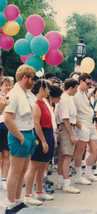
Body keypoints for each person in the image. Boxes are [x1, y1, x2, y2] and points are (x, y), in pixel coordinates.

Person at [4, 65, 36, 213]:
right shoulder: (15, 94)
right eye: (32, 78)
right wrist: (20, 136)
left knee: (23, 171)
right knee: (15, 172)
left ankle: (17, 201)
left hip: (28, 133)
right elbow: (8, 119)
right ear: (25, 78)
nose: (33, 82)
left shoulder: (25, 93)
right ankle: (10, 205)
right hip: (20, 135)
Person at [24, 80, 54, 205]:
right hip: (41, 134)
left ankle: (39, 192)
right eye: (47, 88)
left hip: (48, 132)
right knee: (34, 166)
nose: (49, 91)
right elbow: (36, 124)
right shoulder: (36, 104)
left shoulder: (44, 102)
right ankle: (27, 194)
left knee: (42, 166)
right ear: (41, 89)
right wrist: (43, 141)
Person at [72, 73, 97, 184]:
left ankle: (88, 173)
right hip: (83, 124)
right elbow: (72, 113)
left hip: (90, 123)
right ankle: (78, 176)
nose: (89, 85)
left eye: (90, 83)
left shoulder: (86, 93)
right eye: (87, 83)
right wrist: (80, 126)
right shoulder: (75, 95)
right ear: (81, 81)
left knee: (95, 150)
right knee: (80, 151)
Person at [55, 78, 81, 194]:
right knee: (67, 157)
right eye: (75, 88)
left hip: (65, 127)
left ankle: (61, 182)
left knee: (62, 157)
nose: (76, 91)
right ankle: (66, 184)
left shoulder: (65, 98)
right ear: (71, 88)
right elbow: (65, 118)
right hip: (67, 128)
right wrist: (71, 134)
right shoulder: (65, 100)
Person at [0, 77, 12, 190]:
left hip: (8, 128)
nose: (8, 87)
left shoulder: (13, 97)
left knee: (6, 154)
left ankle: (4, 179)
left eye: (10, 85)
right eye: (6, 85)